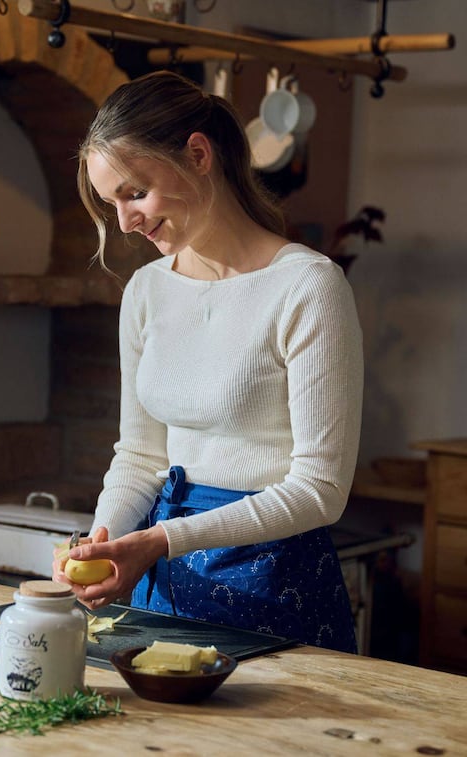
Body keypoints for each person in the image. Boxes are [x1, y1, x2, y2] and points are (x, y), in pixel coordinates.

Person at [52, 70, 363, 653]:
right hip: (163, 580)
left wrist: (160, 540)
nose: (125, 222)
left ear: (198, 154)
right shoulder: (146, 291)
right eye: (111, 203)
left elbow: (321, 489)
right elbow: (141, 455)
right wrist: (104, 540)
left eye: (134, 193)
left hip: (274, 584)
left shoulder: (308, 286)